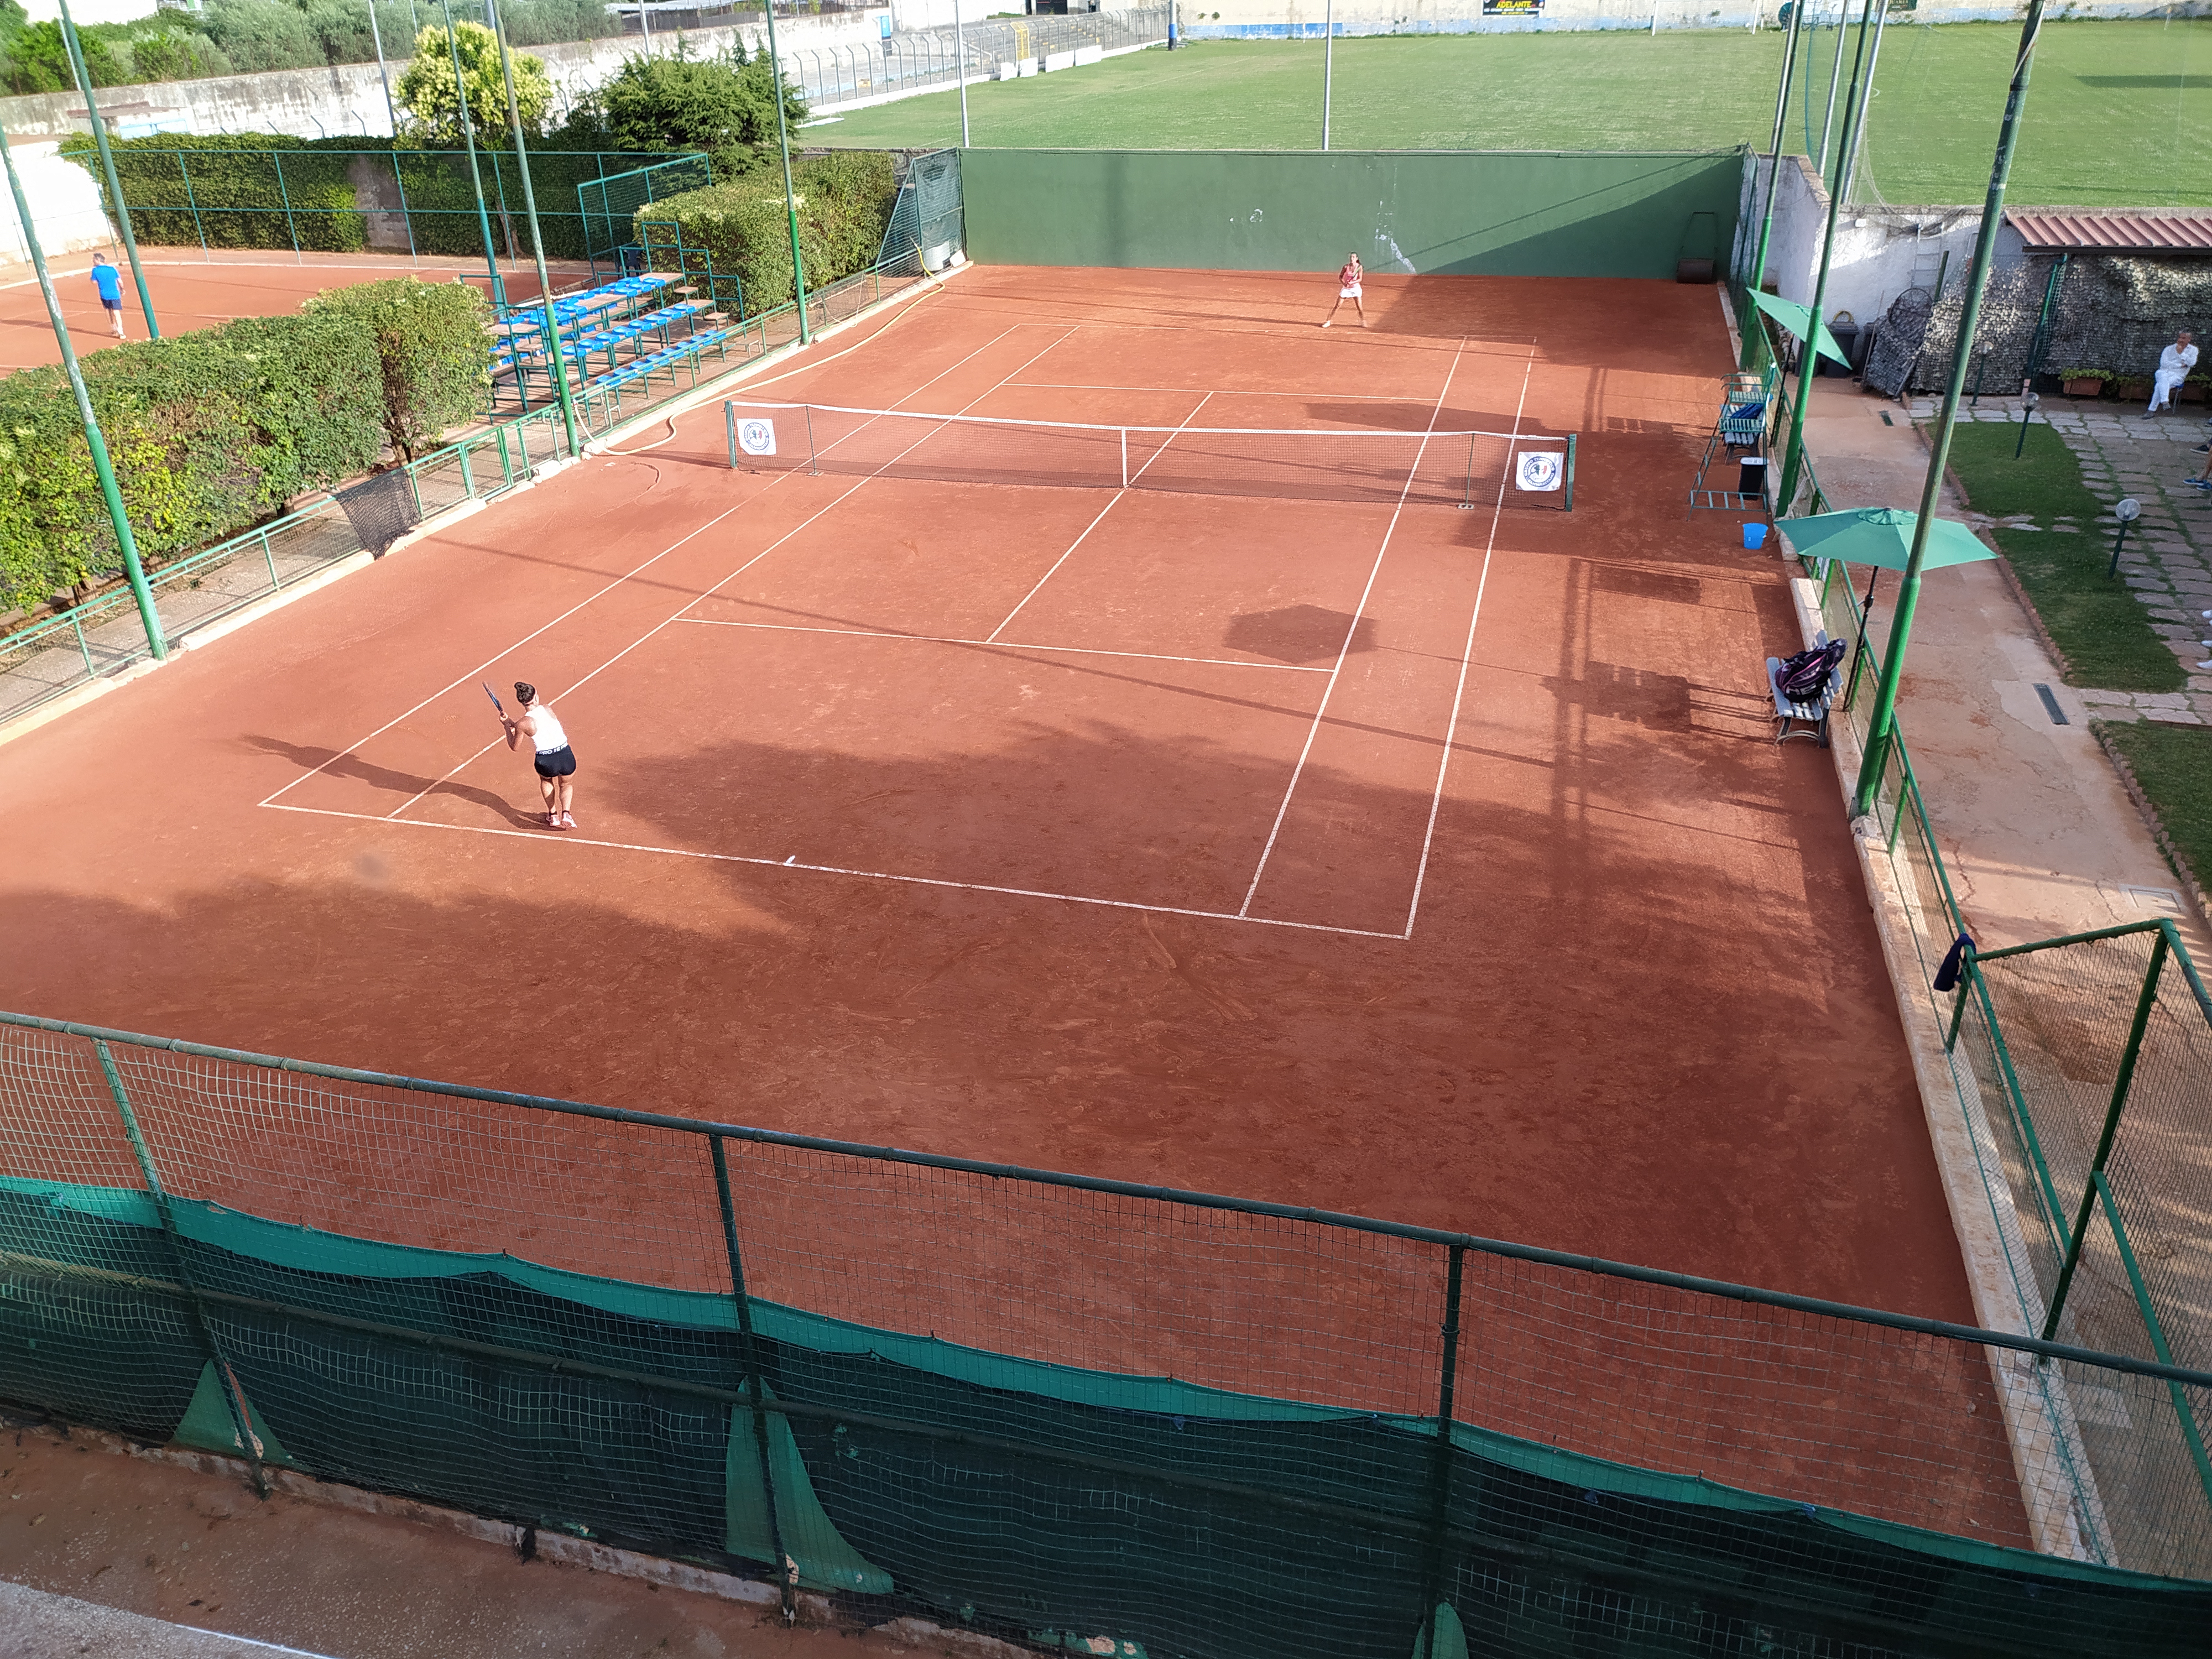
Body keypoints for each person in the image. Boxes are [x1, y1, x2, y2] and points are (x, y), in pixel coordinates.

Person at [500, 681, 577, 831]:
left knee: (546, 780)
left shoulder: (523, 723)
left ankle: (553, 816)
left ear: (521, 702)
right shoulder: (548, 709)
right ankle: (566, 814)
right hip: (565, 756)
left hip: (546, 761)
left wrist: (506, 725)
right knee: (566, 784)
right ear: (536, 697)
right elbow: (540, 725)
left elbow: (514, 746)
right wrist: (511, 723)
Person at [2148, 330, 2198, 413]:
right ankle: (2164, 401)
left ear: (2189, 339)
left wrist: (2182, 353)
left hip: (2178, 375)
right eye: (2180, 337)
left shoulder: (2193, 350)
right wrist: (2180, 365)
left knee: (2159, 385)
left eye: (2184, 338)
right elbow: (2164, 364)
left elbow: (2192, 363)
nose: (2181, 340)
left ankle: (2152, 410)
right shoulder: (2168, 349)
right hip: (2163, 372)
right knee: (2161, 375)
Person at [1321, 252, 1366, 329]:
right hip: (1346, 289)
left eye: (1354, 257)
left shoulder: (1359, 267)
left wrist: (1352, 282)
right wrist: (1344, 284)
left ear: (1357, 259)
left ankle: (1363, 321)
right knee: (1337, 305)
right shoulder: (1346, 267)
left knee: (1359, 307)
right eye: (1351, 257)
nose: (1352, 259)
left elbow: (1360, 279)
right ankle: (1328, 321)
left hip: (1355, 289)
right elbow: (1340, 277)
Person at [88, 253, 127, 340]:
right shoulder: (112, 268)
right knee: (116, 312)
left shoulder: (95, 270)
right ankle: (121, 331)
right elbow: (120, 281)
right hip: (115, 294)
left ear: (98, 260)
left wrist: (92, 279)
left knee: (108, 310)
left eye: (94, 259)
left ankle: (114, 328)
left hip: (104, 294)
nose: (93, 261)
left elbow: (93, 282)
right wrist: (122, 289)